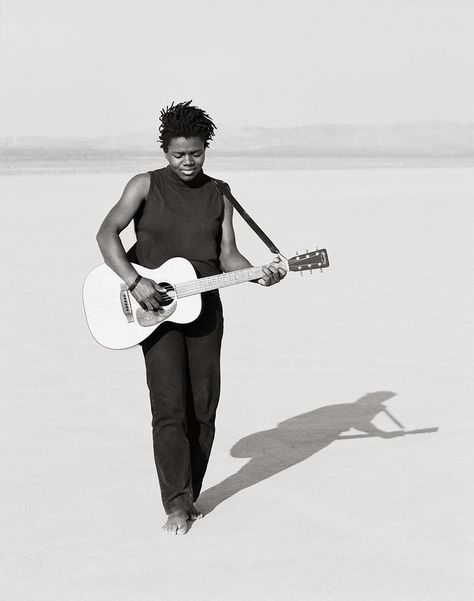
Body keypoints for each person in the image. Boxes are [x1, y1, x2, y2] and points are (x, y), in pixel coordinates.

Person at [96, 100, 286, 535]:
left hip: (205, 311)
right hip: (155, 311)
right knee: (168, 409)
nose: (187, 162)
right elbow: (106, 234)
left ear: (206, 149)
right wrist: (133, 281)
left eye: (196, 153)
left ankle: (190, 493)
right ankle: (176, 505)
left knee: (202, 409)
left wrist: (261, 276)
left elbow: (228, 255)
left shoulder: (220, 192)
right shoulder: (144, 185)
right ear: (165, 151)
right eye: (179, 154)